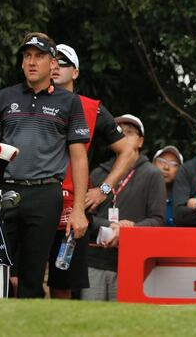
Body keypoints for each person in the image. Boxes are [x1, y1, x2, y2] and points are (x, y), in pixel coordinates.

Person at [0, 32, 91, 298]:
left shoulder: (70, 102)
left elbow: (79, 157)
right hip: (5, 190)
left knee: (32, 273)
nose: (31, 62)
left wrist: (78, 210)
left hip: (45, 194)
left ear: (52, 64)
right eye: (27, 56)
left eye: (39, 56)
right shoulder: (5, 97)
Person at [46, 43, 134, 300]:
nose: (55, 67)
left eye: (63, 63)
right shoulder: (30, 100)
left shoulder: (91, 108)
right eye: (52, 61)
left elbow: (127, 151)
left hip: (72, 206)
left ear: (75, 73)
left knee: (63, 283)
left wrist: (104, 189)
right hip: (33, 199)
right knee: (19, 278)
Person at [82, 114, 165, 301]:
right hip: (95, 260)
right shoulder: (97, 172)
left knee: (123, 323)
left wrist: (130, 230)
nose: (124, 137)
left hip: (133, 261)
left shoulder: (153, 175)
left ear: (141, 141)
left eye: (130, 132)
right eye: (119, 132)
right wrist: (112, 226)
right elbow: (84, 215)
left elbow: (157, 220)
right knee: (90, 321)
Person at [152, 145, 184, 226]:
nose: (166, 167)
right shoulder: (142, 194)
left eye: (174, 164)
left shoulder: (183, 200)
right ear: (152, 164)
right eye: (161, 161)